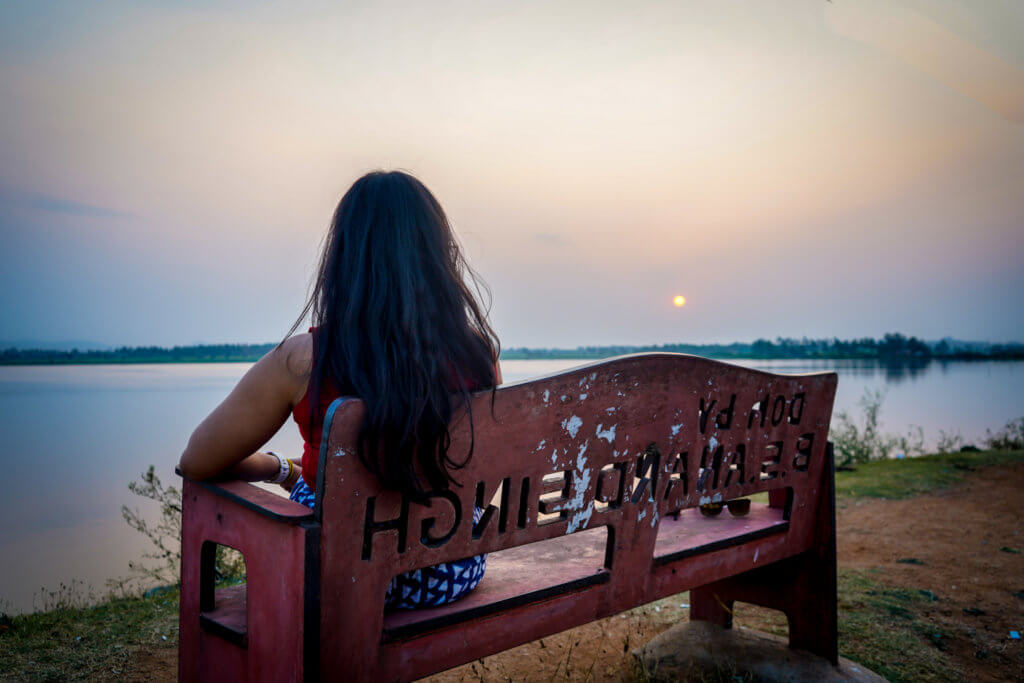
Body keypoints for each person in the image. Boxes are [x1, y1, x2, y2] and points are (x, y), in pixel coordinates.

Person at [178, 170, 502, 609]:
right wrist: (287, 470)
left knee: (317, 505)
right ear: (437, 256)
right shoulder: (477, 354)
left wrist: (281, 470)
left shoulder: (303, 360)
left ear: (344, 259)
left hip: (348, 573)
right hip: (454, 568)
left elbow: (197, 461)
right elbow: (483, 477)